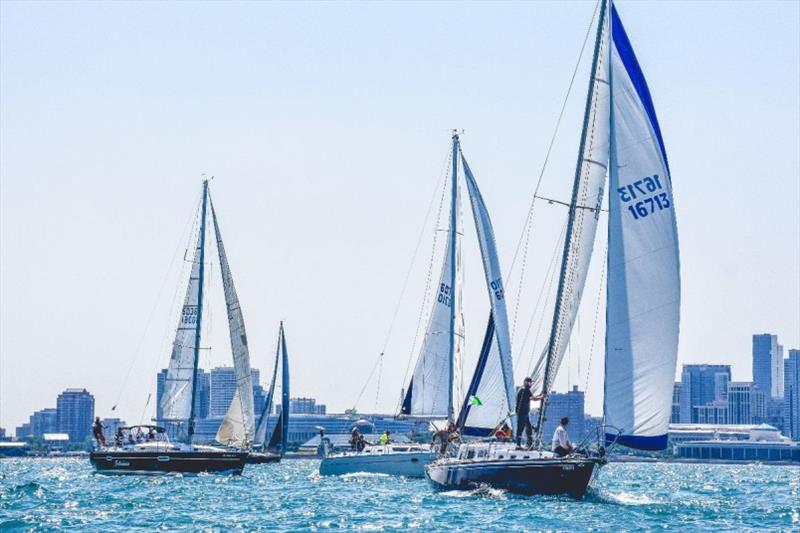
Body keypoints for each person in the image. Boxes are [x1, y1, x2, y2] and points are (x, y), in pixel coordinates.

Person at [515, 377, 537, 448]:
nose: (530, 384)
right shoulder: (525, 390)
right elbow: (534, 399)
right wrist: (543, 397)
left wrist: (541, 395)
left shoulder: (524, 390)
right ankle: (518, 445)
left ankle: (529, 444)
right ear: (525, 382)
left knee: (529, 428)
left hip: (525, 413)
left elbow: (533, 397)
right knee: (520, 428)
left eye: (530, 382)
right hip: (522, 413)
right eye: (528, 382)